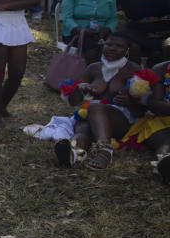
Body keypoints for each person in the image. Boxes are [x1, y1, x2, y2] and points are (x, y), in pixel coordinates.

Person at [55, 32, 145, 170]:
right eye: (109, 44)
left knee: (96, 107)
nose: (112, 48)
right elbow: (74, 102)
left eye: (119, 46)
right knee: (82, 130)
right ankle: (73, 152)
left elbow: (143, 109)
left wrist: (128, 101)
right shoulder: (93, 68)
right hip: (90, 118)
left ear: (127, 50)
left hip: (120, 120)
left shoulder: (134, 70)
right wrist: (80, 89)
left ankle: (104, 151)